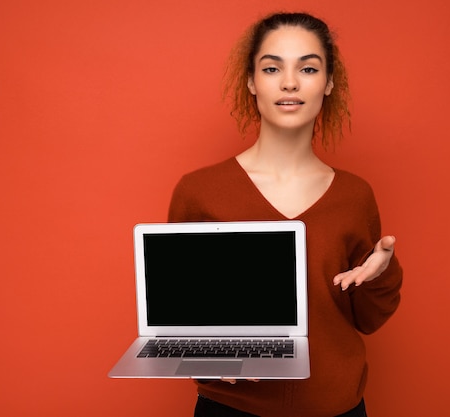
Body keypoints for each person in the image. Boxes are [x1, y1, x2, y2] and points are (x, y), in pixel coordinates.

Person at [168, 12, 403, 417]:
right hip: (232, 409)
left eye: (308, 68)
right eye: (272, 67)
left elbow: (367, 319)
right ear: (250, 81)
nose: (289, 82)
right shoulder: (199, 192)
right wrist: (204, 358)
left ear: (328, 83)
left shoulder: (354, 195)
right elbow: (179, 319)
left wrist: (380, 277)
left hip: (339, 407)